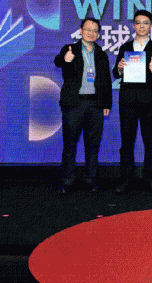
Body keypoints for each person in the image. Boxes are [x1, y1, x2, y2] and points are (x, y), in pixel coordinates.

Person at [54, 18, 112, 193]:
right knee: (70, 144)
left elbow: (106, 81)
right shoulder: (70, 49)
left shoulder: (101, 54)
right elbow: (57, 61)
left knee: (93, 145)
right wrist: (65, 59)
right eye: (88, 29)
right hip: (74, 103)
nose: (91, 33)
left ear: (98, 34)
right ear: (81, 30)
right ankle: (68, 179)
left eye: (95, 30)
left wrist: (107, 103)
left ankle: (90, 179)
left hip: (95, 104)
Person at [112, 10, 152, 194]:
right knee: (127, 141)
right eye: (138, 22)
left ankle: (150, 177)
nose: (142, 26)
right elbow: (115, 72)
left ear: (150, 26)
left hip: (149, 100)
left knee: (150, 140)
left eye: (145, 23)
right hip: (128, 100)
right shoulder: (125, 47)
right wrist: (120, 68)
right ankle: (126, 178)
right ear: (134, 25)